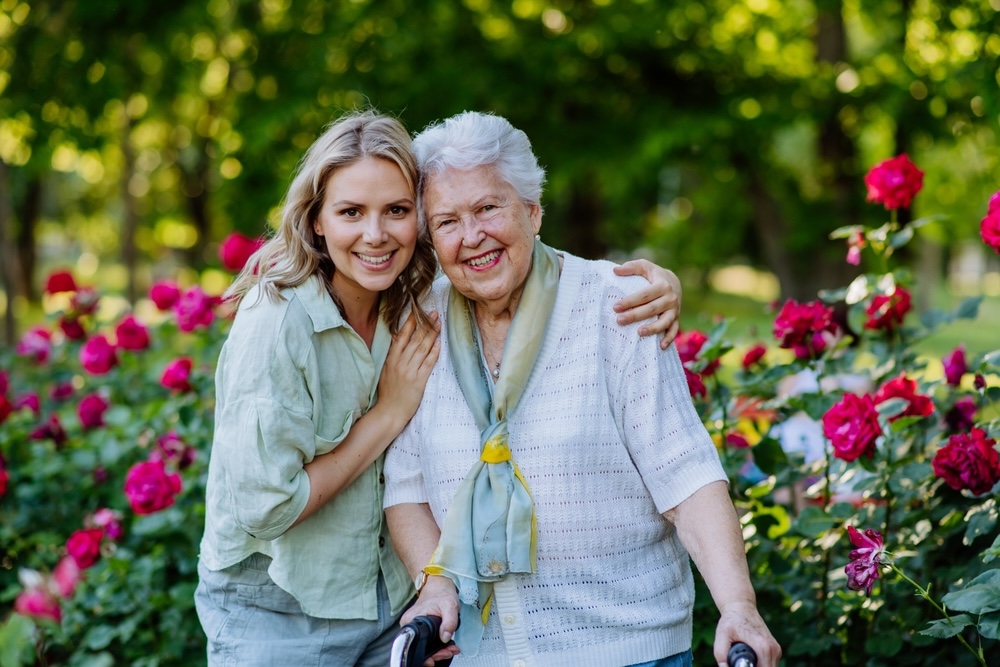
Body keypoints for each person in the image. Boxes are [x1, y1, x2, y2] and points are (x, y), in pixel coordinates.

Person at [193, 110, 685, 666]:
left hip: (391, 606)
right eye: (351, 212)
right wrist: (389, 413)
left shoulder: (416, 299)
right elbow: (268, 506)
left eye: (397, 211)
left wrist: (657, 284)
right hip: (282, 611)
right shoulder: (278, 322)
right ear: (316, 220)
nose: (375, 234)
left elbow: (508, 253)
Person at [383, 111, 782, 667]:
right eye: (446, 221)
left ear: (532, 210)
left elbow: (685, 474)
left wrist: (738, 607)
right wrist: (434, 584)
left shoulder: (616, 306)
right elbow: (406, 485)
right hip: (482, 655)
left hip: (628, 649)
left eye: (488, 208)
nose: (471, 236)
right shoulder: (421, 325)